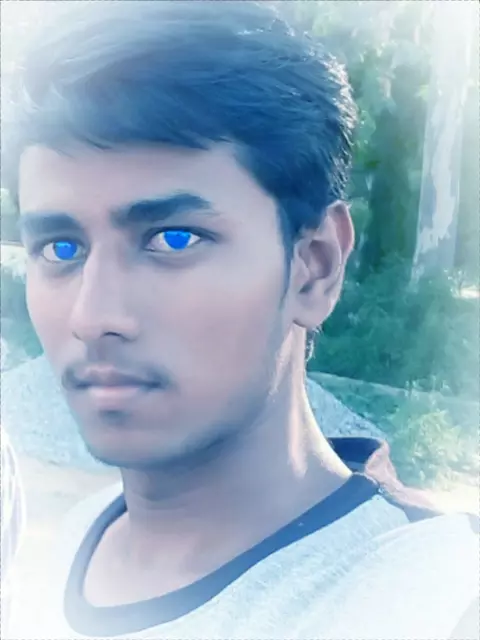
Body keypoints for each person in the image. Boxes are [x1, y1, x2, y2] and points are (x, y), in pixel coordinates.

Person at [2, 2, 478, 638]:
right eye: (61, 249)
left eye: (173, 239)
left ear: (315, 267)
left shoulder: (435, 596)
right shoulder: (73, 542)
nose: (92, 316)